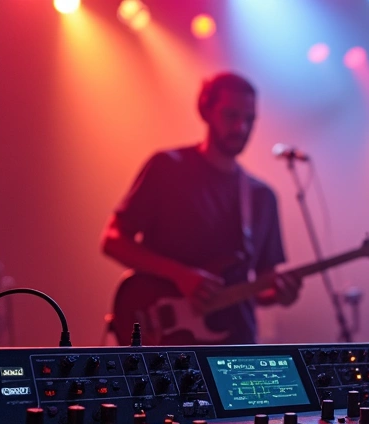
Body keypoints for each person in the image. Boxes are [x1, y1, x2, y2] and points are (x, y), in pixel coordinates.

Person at [101, 72, 300, 344]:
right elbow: (112, 240)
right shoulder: (167, 168)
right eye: (231, 115)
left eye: (249, 119)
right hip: (169, 343)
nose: (241, 127)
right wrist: (180, 276)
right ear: (206, 111)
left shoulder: (262, 197)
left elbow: (262, 286)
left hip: (236, 345)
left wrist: (280, 294)